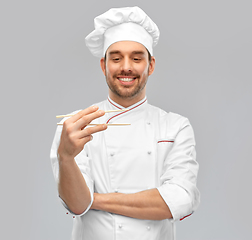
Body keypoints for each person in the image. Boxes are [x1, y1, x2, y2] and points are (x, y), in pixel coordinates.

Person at [50, 6, 200, 240]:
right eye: (116, 58)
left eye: (137, 58)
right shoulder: (74, 127)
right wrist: (65, 157)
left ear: (150, 65)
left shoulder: (175, 126)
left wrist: (95, 200)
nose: (126, 67)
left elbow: (180, 199)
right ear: (104, 66)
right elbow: (77, 205)